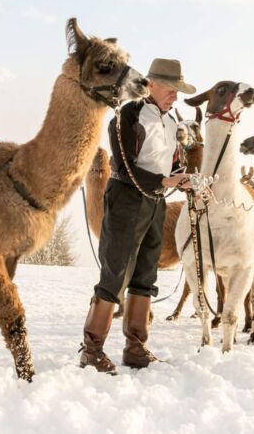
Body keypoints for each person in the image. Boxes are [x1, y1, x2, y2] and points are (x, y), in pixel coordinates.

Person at [79, 58, 197, 374]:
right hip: (125, 200)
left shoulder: (171, 121)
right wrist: (164, 181)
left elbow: (170, 165)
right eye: (172, 89)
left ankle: (135, 347)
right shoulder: (125, 116)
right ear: (151, 84)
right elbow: (127, 167)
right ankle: (91, 350)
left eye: (178, 91)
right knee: (115, 272)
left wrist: (183, 180)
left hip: (155, 203)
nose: (176, 96)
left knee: (146, 274)